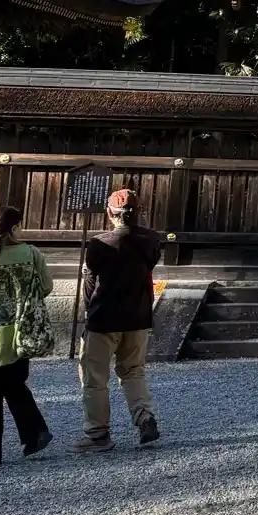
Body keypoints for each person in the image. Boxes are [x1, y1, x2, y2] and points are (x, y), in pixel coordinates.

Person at [75, 187, 162, 452]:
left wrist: (87, 312)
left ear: (110, 212)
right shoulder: (151, 240)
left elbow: (90, 283)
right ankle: (144, 416)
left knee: (94, 377)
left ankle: (97, 433)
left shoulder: (99, 243)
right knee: (133, 370)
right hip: (138, 315)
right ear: (139, 212)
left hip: (104, 317)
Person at [0, 206, 53, 463]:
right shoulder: (30, 253)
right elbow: (46, 287)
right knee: (15, 385)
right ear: (13, 228)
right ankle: (34, 434)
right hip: (20, 332)